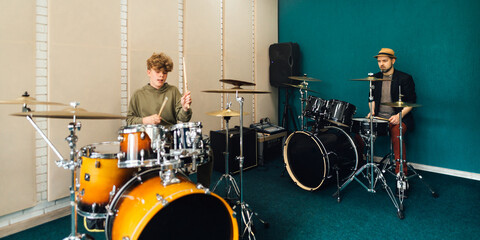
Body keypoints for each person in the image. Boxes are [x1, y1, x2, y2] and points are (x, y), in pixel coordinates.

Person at [126, 52, 212, 187]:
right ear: (149, 72)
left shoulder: (173, 91)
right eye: (157, 71)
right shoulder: (138, 94)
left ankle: (203, 190)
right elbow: (129, 120)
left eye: (165, 72)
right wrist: (146, 120)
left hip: (172, 143)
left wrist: (184, 108)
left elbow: (183, 118)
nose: (161, 75)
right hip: (148, 144)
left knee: (207, 152)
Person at [367, 48, 417, 195]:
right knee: (360, 131)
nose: (381, 64)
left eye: (384, 61)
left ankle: (401, 177)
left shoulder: (405, 78)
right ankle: (359, 169)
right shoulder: (375, 78)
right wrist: (372, 112)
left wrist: (399, 116)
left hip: (398, 117)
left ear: (393, 61)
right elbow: (371, 99)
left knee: (397, 132)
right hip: (379, 118)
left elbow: (412, 102)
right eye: (379, 61)